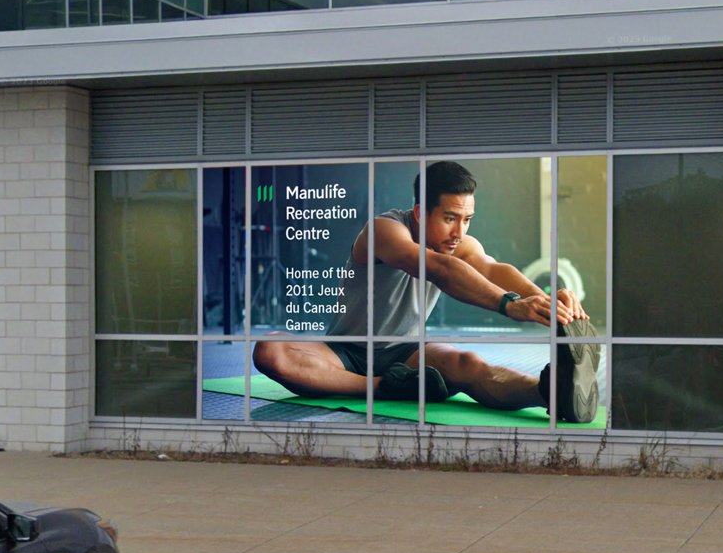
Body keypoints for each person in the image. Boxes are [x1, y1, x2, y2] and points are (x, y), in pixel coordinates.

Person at [252, 161, 598, 423]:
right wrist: (510, 305)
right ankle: (381, 386)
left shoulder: (457, 243)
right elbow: (436, 268)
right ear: (420, 212)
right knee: (270, 350)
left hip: (408, 353)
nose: (459, 231)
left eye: (467, 219)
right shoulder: (385, 231)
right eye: (450, 218)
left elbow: (494, 269)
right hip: (345, 350)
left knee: (467, 363)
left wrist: (550, 304)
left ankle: (551, 392)